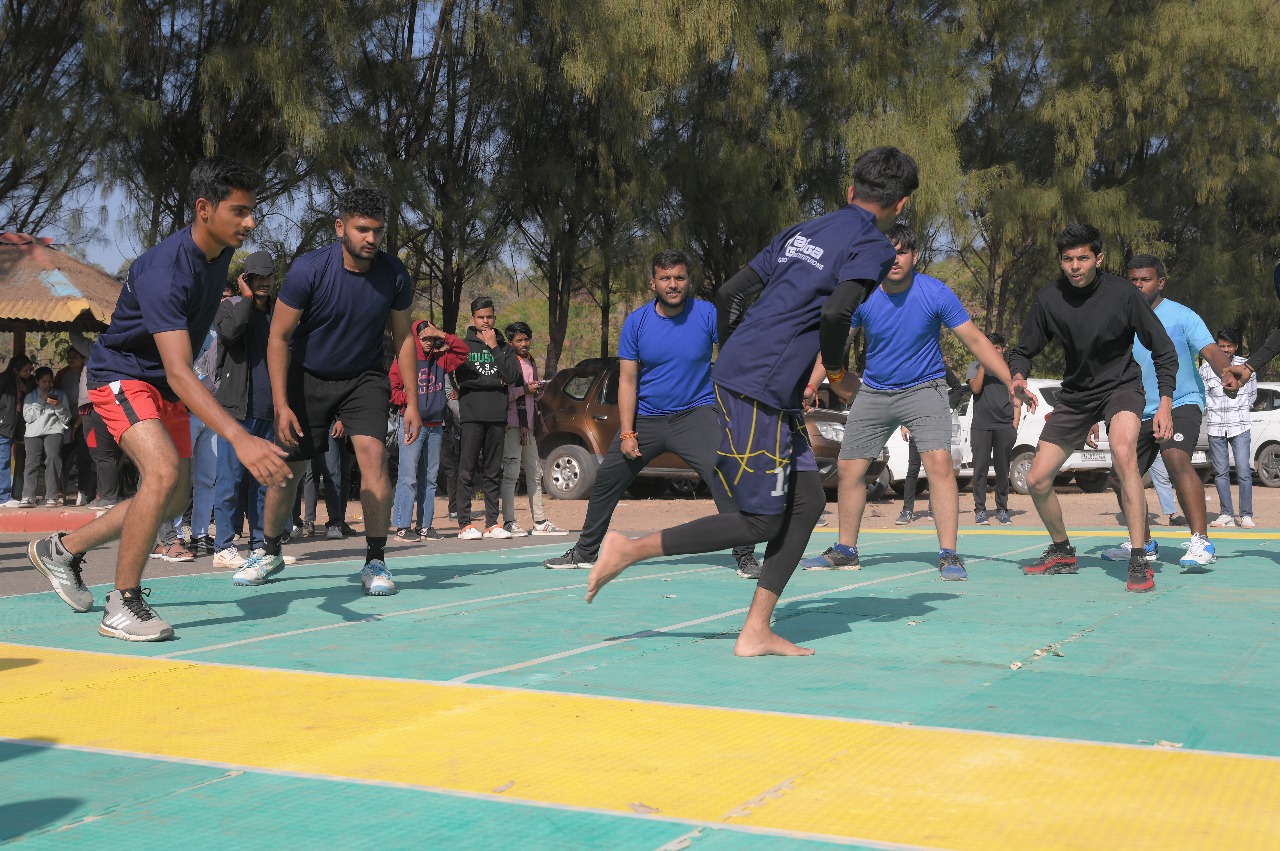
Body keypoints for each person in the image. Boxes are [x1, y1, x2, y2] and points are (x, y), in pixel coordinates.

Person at [583, 146, 917, 657]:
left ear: (850, 191)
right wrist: (839, 373)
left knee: (805, 506)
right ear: (902, 203)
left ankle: (756, 630)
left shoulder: (802, 231)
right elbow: (836, 314)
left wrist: (739, 346)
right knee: (761, 520)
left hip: (758, 381)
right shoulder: (873, 245)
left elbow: (728, 295)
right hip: (757, 388)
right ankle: (630, 548)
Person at [27, 156, 291, 640]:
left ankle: (62, 550)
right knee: (163, 472)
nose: (251, 222)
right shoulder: (165, 269)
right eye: (240, 211)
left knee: (172, 499)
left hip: (165, 383)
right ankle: (122, 603)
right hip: (121, 375)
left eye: (253, 211)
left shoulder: (217, 261)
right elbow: (178, 366)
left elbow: (179, 369)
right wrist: (239, 437)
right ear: (204, 209)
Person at [800, 224, 1026, 579]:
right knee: (849, 470)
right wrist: (813, 384)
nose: (894, 259)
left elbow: (977, 342)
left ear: (914, 256)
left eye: (902, 251)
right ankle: (846, 549)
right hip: (874, 390)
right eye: (887, 252)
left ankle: (949, 553)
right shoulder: (863, 295)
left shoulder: (935, 293)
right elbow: (833, 347)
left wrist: (1010, 379)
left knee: (938, 465)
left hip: (924, 389)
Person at [232, 187, 418, 595]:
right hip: (307, 376)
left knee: (373, 458)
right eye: (362, 229)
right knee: (287, 473)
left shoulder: (394, 273)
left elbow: (404, 338)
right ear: (340, 228)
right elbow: (278, 338)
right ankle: (270, 550)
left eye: (378, 232)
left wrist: (413, 403)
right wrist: (281, 405)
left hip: (365, 377)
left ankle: (375, 560)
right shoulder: (308, 269)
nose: (371, 239)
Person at [543, 249, 760, 576]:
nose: (673, 285)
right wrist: (628, 432)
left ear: (689, 280)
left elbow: (735, 359)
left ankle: (744, 556)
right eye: (666, 278)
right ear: (653, 282)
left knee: (726, 477)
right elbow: (627, 381)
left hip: (695, 414)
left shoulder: (707, 314)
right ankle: (585, 552)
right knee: (606, 481)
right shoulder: (638, 322)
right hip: (646, 419)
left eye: (680, 278)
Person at [1010, 226, 1178, 593]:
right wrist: (1018, 379)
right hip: (1076, 396)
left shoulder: (1123, 294)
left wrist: (1165, 401)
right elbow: (1023, 351)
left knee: (1122, 452)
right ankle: (1062, 550)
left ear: (1098, 259)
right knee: (1037, 479)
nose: (1075, 266)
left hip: (1121, 387)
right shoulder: (1049, 299)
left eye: (1083, 258)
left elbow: (1163, 349)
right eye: (1068, 259)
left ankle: (1138, 555)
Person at [1095, 254, 1230, 570]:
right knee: (1119, 475)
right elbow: (1104, 369)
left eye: (1146, 280)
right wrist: (1096, 414)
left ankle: (1200, 541)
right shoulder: (1121, 320)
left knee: (1175, 457)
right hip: (1137, 408)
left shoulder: (1182, 316)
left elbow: (1211, 351)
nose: (1139, 285)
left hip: (1181, 401)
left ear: (1161, 282)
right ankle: (1145, 542)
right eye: (1133, 280)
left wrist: (1226, 371)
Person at [211, 250, 279, 568]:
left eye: (268, 276)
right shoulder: (230, 307)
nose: (264, 282)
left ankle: (259, 546)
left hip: (269, 411)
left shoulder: (280, 313)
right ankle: (223, 548)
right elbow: (229, 333)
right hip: (236, 410)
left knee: (262, 482)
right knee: (230, 480)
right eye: (257, 277)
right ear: (246, 280)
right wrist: (247, 299)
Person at [391, 318, 467, 541]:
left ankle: (424, 526)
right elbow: (393, 389)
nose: (428, 342)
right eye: (424, 338)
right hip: (412, 424)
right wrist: (411, 400)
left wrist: (443, 335)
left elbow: (463, 353)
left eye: (432, 338)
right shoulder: (406, 358)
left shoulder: (441, 357)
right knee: (408, 477)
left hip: (435, 426)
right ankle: (402, 527)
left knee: (430, 478)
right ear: (416, 337)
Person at [453, 297, 522, 540]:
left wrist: (494, 347)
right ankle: (465, 524)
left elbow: (512, 376)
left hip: (497, 415)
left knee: (493, 471)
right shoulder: (464, 346)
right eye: (481, 317)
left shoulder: (504, 348)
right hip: (472, 414)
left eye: (490, 317)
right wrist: (495, 382)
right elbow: (463, 380)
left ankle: (492, 523)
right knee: (467, 470)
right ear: (473, 319)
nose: (486, 321)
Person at [500, 321, 566, 536]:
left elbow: (529, 394)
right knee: (511, 474)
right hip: (513, 425)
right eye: (519, 340)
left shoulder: (530, 362)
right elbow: (503, 396)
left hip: (528, 425)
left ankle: (540, 520)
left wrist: (534, 391)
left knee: (535, 474)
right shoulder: (508, 363)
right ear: (510, 342)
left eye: (526, 339)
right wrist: (524, 390)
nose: (524, 343)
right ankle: (509, 521)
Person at [895, 364, 965, 525]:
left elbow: (957, 388)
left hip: (936, 426)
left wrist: (947, 409)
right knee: (913, 469)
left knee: (936, 468)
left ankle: (934, 507)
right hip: (916, 424)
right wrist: (905, 423)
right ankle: (907, 510)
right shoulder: (913, 369)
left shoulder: (941, 368)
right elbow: (905, 397)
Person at [1201, 329, 1255, 528]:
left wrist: (1239, 409)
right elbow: (1204, 397)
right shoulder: (1206, 369)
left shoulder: (1245, 366)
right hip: (1215, 427)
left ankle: (1246, 514)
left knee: (1243, 471)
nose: (1225, 350)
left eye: (1229, 346)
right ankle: (1227, 514)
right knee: (1221, 472)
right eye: (1221, 346)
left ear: (1236, 347)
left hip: (1240, 425)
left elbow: (1252, 395)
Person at [968, 332, 1020, 525]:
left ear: (1003, 349)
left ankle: (1002, 509)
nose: (994, 351)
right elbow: (975, 389)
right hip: (981, 426)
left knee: (1002, 470)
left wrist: (1014, 426)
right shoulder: (975, 365)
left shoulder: (1010, 370)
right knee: (980, 469)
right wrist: (984, 362)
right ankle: (980, 510)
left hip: (1004, 426)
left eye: (997, 348)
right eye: (990, 348)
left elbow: (1018, 399)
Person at [21, 366, 71, 506]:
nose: (47, 385)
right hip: (33, 433)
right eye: (44, 382)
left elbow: (66, 418)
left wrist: (56, 404)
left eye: (50, 381)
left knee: (53, 458)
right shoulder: (30, 397)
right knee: (31, 462)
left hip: (53, 431)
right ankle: (28, 496)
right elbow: (28, 417)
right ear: (37, 381)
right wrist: (41, 400)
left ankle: (52, 496)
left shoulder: (60, 394)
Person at [0, 354, 35, 508]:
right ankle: (4, 497)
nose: (28, 373)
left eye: (30, 369)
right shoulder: (4, 379)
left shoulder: (25, 382)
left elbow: (37, 389)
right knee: (3, 459)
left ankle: (7, 494)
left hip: (14, 426)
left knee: (8, 459)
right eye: (25, 370)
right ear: (15, 370)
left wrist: (27, 388)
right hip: (4, 425)